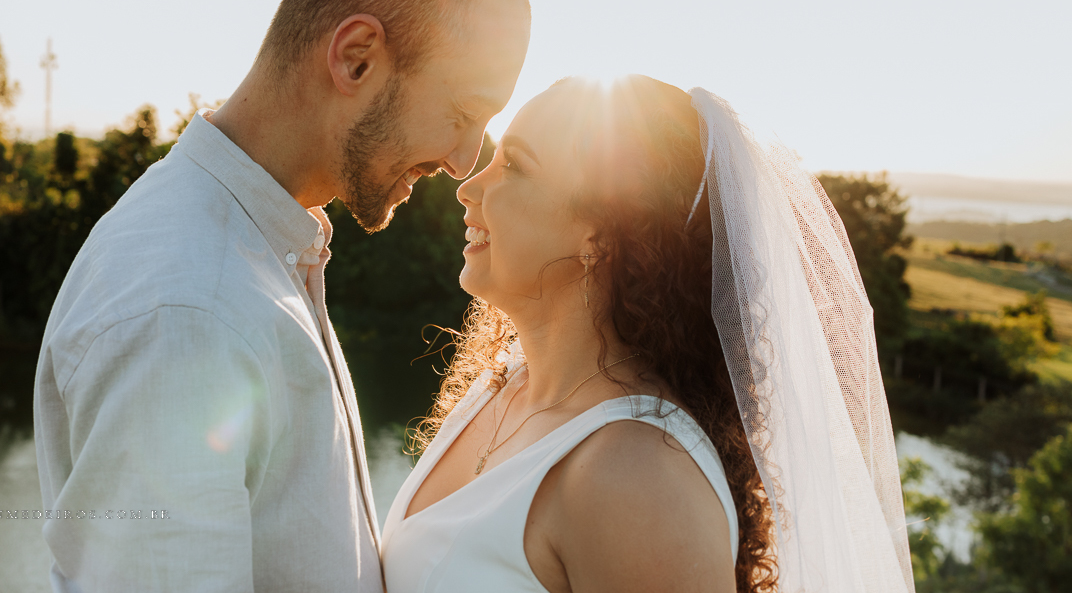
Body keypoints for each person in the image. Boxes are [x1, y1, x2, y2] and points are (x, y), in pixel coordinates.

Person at [33, 0, 531, 591]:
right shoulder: (186, 310)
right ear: (356, 57)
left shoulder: (257, 254)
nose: (463, 160)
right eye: (462, 111)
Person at [381, 75, 915, 593]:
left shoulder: (639, 477)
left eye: (516, 165)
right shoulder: (502, 389)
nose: (468, 187)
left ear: (602, 237)